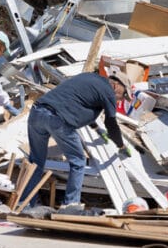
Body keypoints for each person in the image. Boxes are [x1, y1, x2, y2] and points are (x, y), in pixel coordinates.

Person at [23, 70, 131, 210]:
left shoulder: (90, 78)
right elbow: (111, 123)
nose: (121, 100)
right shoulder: (108, 92)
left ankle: (23, 204)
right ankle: (70, 206)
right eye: (123, 95)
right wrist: (121, 146)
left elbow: (78, 102)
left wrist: (96, 128)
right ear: (116, 85)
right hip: (58, 120)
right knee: (78, 161)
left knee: (36, 162)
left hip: (37, 113)